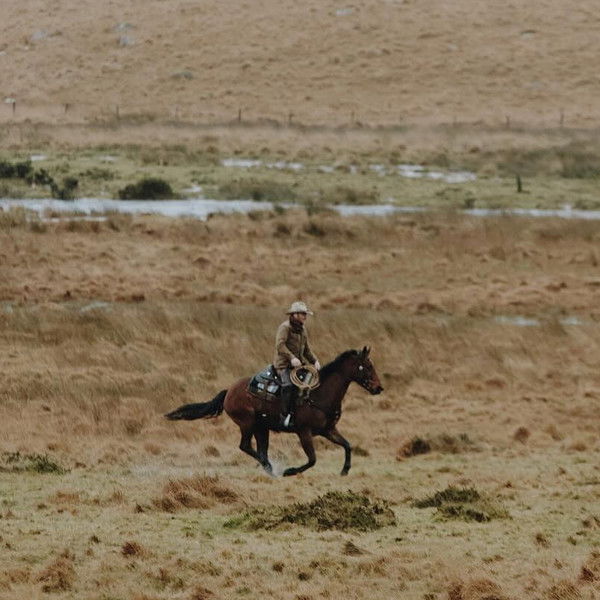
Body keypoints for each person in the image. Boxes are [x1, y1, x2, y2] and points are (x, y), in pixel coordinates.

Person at [274, 301, 321, 428]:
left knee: (311, 383)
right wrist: (292, 358)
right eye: (303, 314)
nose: (305, 316)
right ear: (294, 314)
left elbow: (307, 350)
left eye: (305, 314)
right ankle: (284, 417)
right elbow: (280, 345)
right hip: (283, 366)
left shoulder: (302, 329)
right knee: (288, 386)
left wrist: (315, 361)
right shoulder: (285, 327)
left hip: (298, 366)